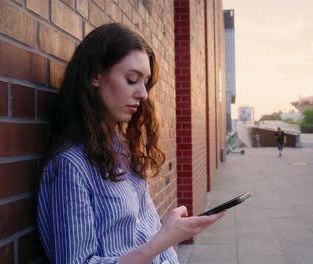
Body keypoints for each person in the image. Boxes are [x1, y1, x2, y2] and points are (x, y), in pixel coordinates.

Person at [37, 23, 225, 264]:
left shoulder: (121, 148)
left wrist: (168, 230)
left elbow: (138, 237)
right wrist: (164, 239)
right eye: (132, 79)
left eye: (145, 82)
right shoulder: (70, 166)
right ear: (95, 75)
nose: (143, 94)